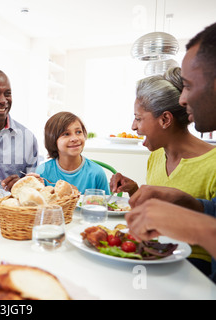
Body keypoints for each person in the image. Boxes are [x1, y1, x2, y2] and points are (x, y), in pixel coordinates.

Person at [125, 22, 216, 283]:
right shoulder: (156, 156)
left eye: (188, 85)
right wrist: (136, 191)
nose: (183, 99)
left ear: (165, 120)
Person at [110, 67, 216, 199]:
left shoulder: (213, 164)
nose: (133, 127)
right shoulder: (157, 155)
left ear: (165, 119)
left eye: (138, 118)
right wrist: (133, 189)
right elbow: (156, 209)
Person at [34, 112, 110, 194]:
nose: (75, 138)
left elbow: (105, 205)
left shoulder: (96, 172)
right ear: (52, 140)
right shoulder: (43, 171)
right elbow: (38, 205)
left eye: (78, 132)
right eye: (66, 134)